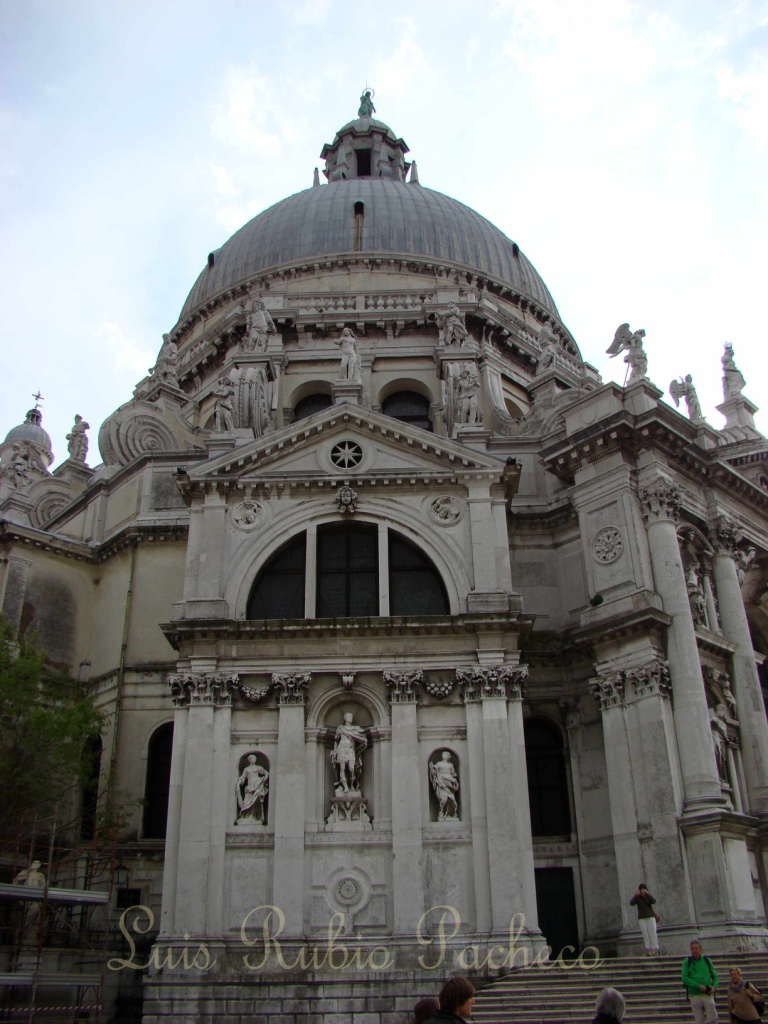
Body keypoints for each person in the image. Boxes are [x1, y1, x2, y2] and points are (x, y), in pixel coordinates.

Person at [682, 940, 719, 1024]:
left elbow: (715, 976)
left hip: (707, 993)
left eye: (696, 948)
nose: (694, 950)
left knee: (713, 1019)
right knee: (699, 1021)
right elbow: (684, 978)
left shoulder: (706, 960)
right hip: (694, 994)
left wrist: (714, 986)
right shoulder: (687, 961)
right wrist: (698, 986)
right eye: (692, 948)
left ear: (700, 949)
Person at [330, 712, 367, 793]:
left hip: (350, 749)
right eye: (349, 716)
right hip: (342, 749)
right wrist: (335, 751)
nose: (351, 717)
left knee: (352, 768)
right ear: (345, 718)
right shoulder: (341, 728)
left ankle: (352, 784)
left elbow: (362, 735)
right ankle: (345, 786)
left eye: (351, 716)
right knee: (342, 768)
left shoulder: (355, 728)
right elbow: (336, 740)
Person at [235, 754, 269, 825]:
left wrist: (262, 782)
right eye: (253, 758)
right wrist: (239, 782)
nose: (254, 760)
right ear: (250, 760)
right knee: (247, 802)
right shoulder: (246, 769)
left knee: (255, 802)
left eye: (255, 758)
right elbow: (243, 777)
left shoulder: (258, 767)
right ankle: (246, 816)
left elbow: (266, 773)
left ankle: (254, 816)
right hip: (249, 787)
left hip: (256, 786)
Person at [629, 882, 660, 956]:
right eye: (641, 890)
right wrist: (635, 895)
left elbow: (654, 901)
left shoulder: (648, 897)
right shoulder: (638, 897)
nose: (642, 891)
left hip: (650, 917)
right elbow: (631, 903)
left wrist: (647, 894)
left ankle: (653, 950)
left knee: (653, 933)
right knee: (645, 935)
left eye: (644, 889)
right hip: (642, 918)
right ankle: (648, 950)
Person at [429, 751, 459, 820]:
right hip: (441, 781)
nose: (444, 756)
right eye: (443, 754)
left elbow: (454, 774)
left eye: (445, 754)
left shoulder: (450, 765)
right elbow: (434, 773)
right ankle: (441, 813)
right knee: (443, 799)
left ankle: (450, 814)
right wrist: (431, 768)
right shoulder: (439, 764)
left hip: (449, 782)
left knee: (452, 799)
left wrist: (454, 780)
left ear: (448, 756)